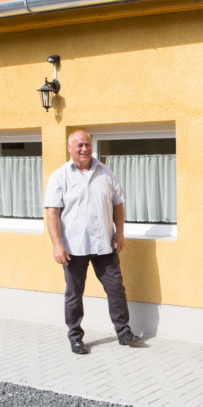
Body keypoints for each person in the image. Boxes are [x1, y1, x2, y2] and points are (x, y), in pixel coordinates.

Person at [44, 129, 140, 355]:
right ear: (70, 148)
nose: (84, 148)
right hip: (73, 248)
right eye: (79, 145)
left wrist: (119, 233)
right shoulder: (60, 176)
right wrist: (57, 245)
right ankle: (75, 337)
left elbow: (118, 204)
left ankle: (123, 332)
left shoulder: (105, 172)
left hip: (104, 245)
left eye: (87, 144)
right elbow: (52, 213)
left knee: (116, 288)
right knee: (74, 294)